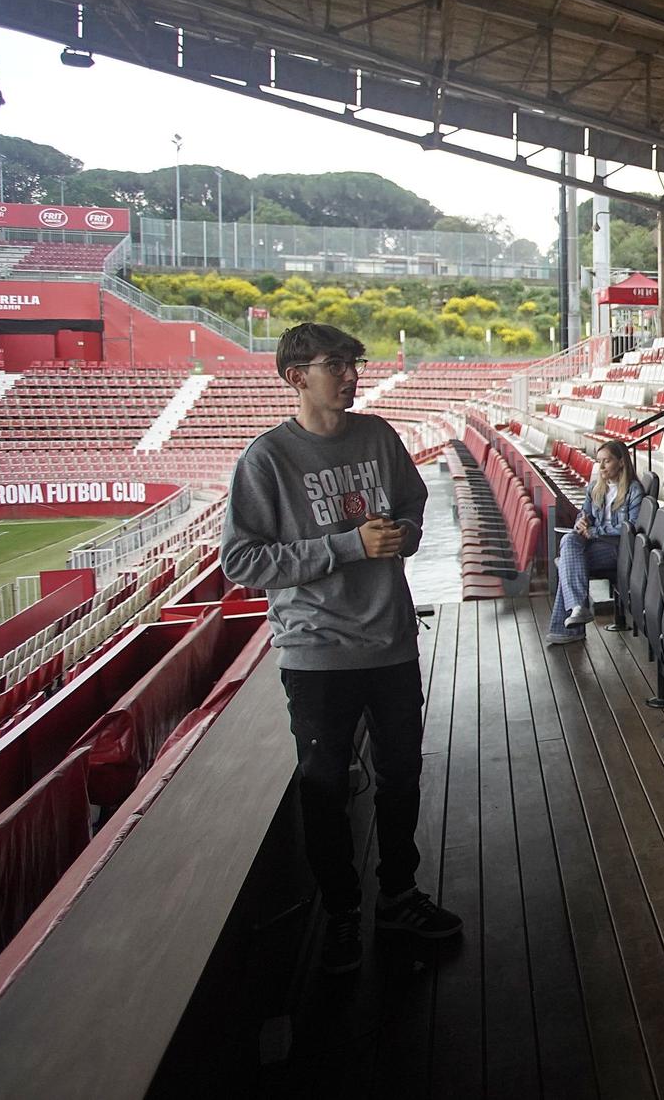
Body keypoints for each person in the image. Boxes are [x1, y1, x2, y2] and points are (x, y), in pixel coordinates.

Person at [219, 323, 462, 974]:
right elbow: (242, 560)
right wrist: (350, 545)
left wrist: (404, 534)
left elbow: (413, 501)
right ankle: (342, 911)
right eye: (338, 364)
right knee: (324, 790)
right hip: (317, 653)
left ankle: (399, 894)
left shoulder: (379, 437)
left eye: (355, 363)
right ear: (296, 375)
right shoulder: (267, 460)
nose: (353, 374)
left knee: (402, 774)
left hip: (390, 641)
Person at [545, 438, 642, 646]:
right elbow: (585, 513)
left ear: (621, 462)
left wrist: (595, 531)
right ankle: (578, 609)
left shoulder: (634, 490)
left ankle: (570, 626)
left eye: (607, 461)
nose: (601, 467)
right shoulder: (595, 488)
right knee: (570, 538)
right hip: (595, 544)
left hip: (618, 548)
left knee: (566, 563)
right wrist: (582, 521)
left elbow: (630, 527)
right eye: (599, 462)